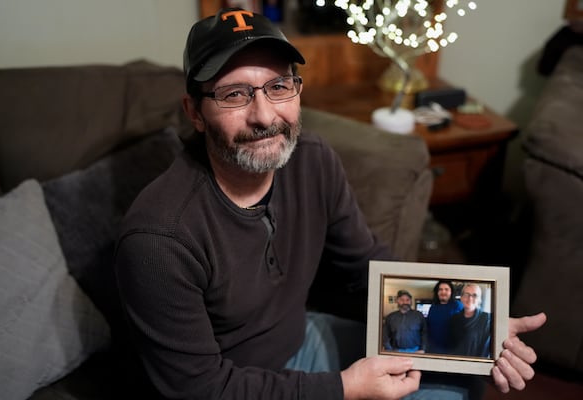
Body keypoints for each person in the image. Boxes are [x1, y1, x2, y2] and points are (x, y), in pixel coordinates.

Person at [113, 7, 547, 399]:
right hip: (236, 383)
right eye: (234, 95)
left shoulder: (313, 161)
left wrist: (476, 325)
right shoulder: (158, 239)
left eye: (278, 86)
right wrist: (344, 388)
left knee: (464, 376)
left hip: (301, 340)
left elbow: (366, 265)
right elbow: (200, 389)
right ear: (194, 112)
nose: (264, 116)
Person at [449, 283, 492, 358]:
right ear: (461, 298)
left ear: (479, 300)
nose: (470, 298)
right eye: (466, 294)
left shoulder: (487, 319)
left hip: (476, 365)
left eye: (474, 295)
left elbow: (485, 350)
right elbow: (451, 345)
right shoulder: (454, 318)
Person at [426, 280, 464, 354]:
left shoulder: (458, 305)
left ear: (451, 292)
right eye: (440, 289)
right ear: (437, 292)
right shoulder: (433, 307)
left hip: (452, 350)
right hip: (433, 349)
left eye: (446, 289)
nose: (443, 292)